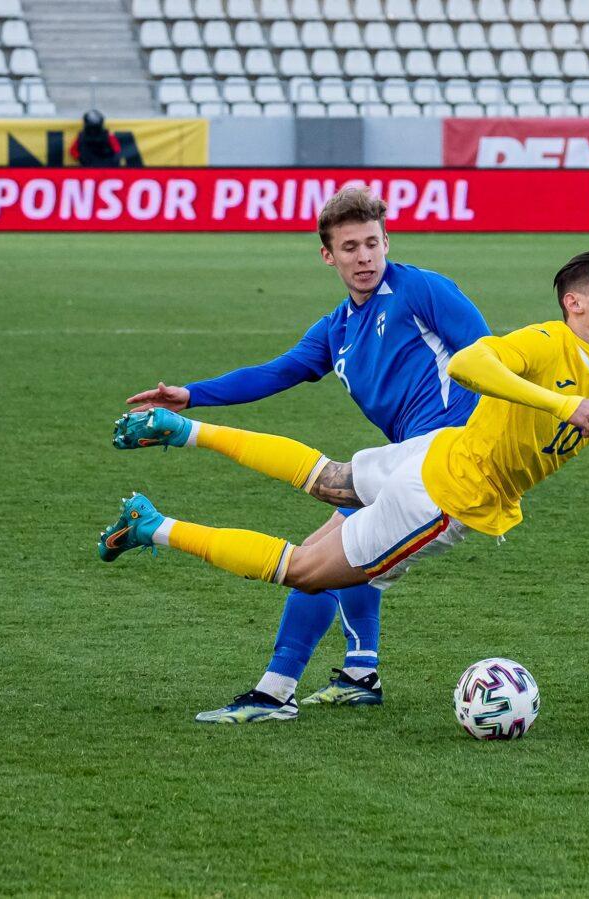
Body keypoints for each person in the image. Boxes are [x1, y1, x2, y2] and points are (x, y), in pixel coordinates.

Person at [99, 249, 589, 723]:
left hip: (433, 452)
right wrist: (554, 405)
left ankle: (185, 431)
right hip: (445, 500)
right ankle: (156, 528)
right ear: (576, 304)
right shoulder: (544, 342)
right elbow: (468, 361)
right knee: (307, 569)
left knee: (329, 480)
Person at [117, 187, 490, 724]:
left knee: (316, 557)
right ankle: (359, 674)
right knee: (342, 545)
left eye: (371, 244)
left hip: (445, 460)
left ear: (387, 242)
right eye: (349, 248)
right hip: (405, 461)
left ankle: (276, 692)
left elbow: (492, 356)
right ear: (328, 255)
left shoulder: (424, 291)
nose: (363, 258)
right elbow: (278, 371)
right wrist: (192, 392)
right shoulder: (338, 328)